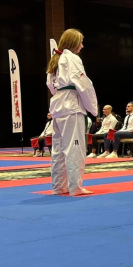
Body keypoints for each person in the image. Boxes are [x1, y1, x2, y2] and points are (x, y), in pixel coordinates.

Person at [46, 29, 98, 196]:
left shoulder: (55, 60)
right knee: (74, 148)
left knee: (58, 150)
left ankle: (58, 187)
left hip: (58, 105)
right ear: (74, 43)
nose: (82, 46)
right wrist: (93, 107)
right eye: (80, 42)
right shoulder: (72, 58)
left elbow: (50, 85)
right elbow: (83, 83)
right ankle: (75, 187)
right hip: (71, 106)